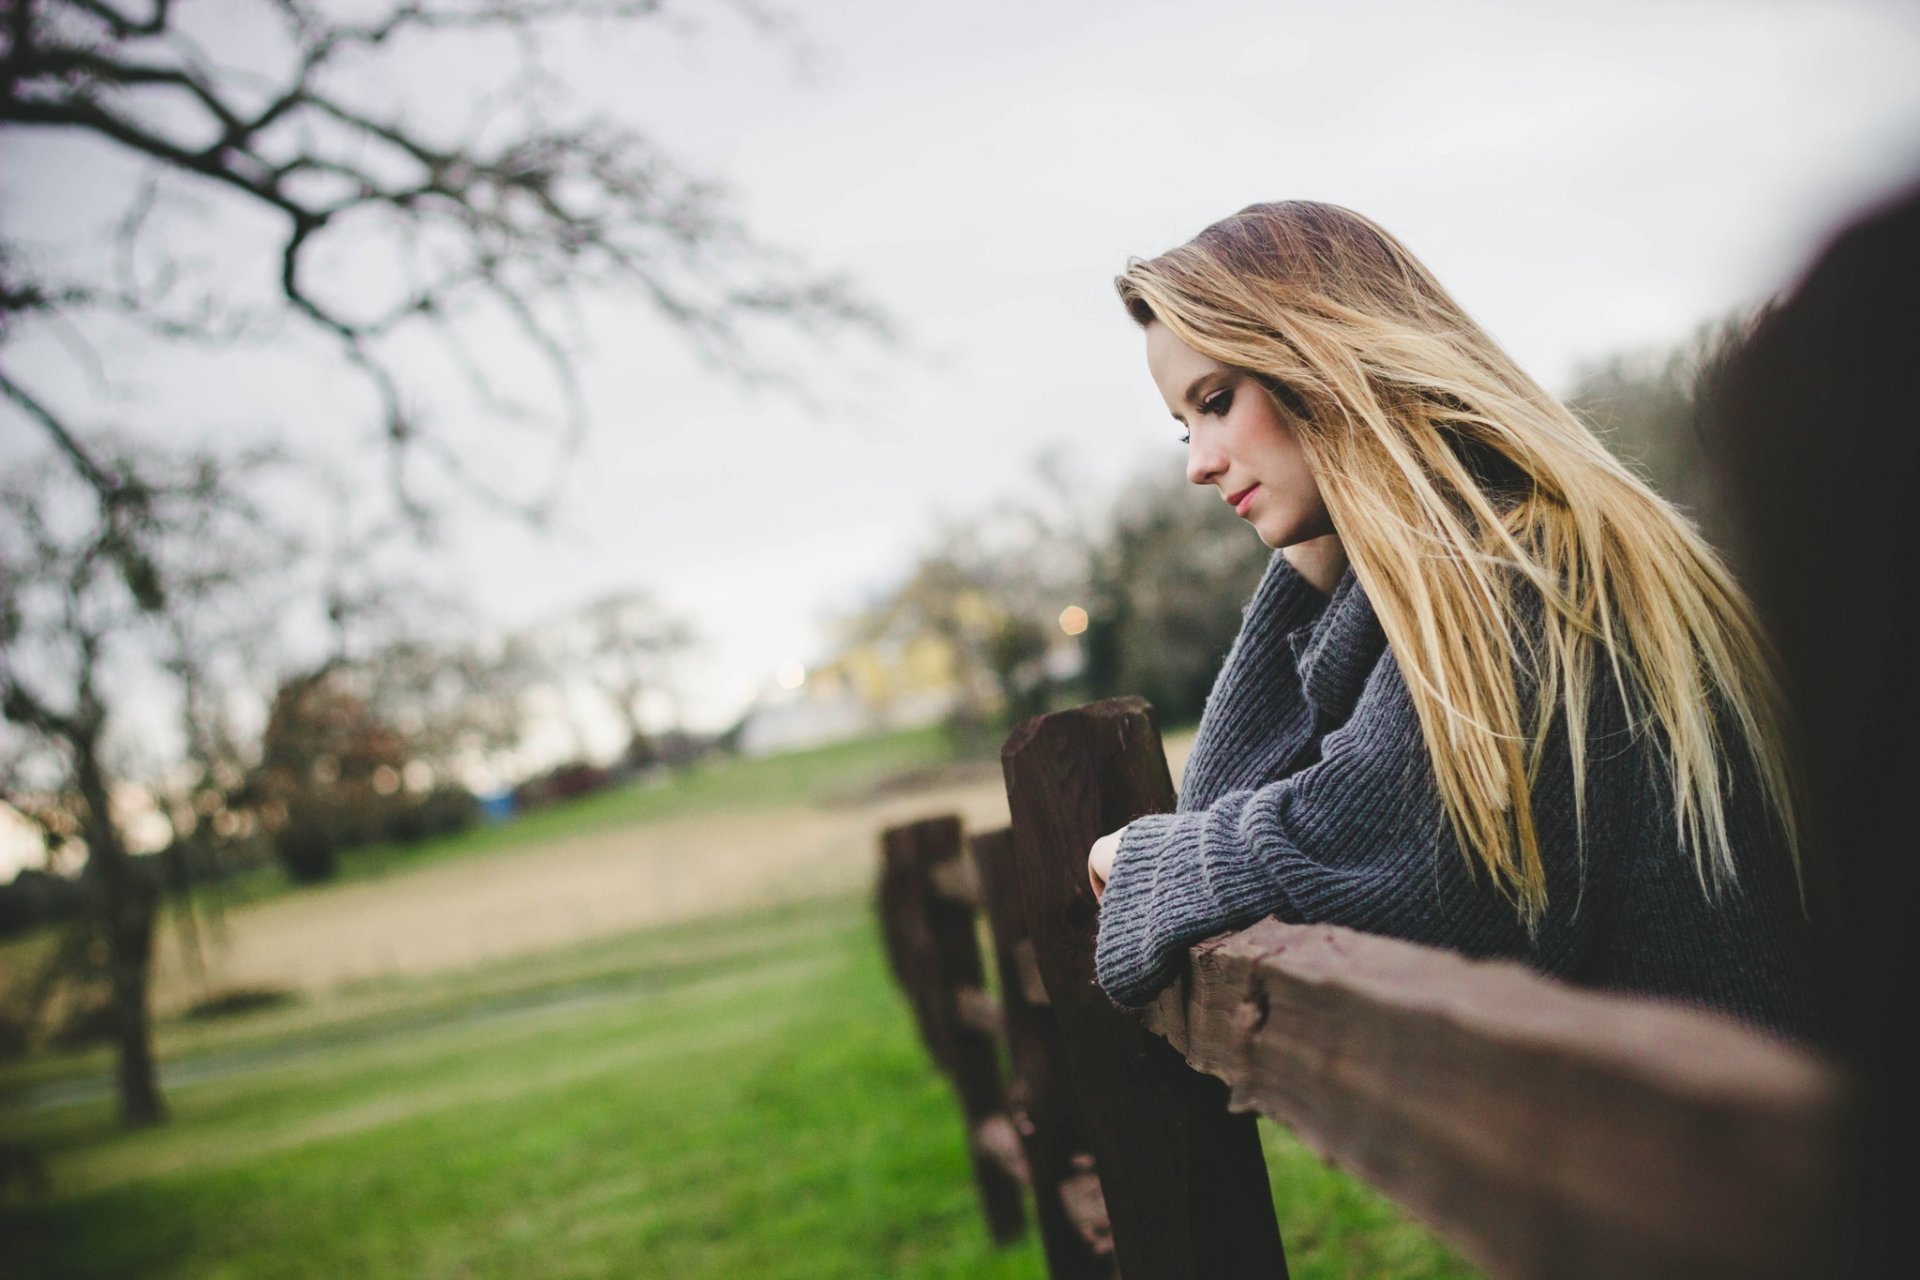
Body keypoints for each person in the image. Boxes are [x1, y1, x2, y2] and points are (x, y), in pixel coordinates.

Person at [1085, 200, 1828, 1044]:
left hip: (1732, 1112)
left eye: (1217, 401)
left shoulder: (1527, 571)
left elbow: (1374, 863)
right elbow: (1222, 815)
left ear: (1322, 358)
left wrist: (1139, 860)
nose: (1198, 464)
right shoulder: (1457, 570)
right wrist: (1310, 559)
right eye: (1183, 427)